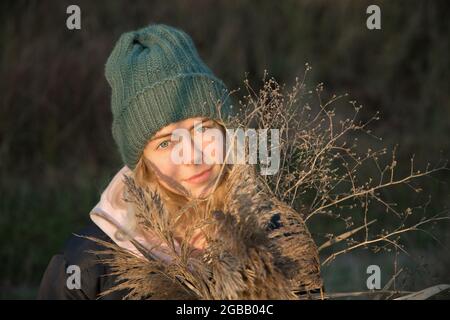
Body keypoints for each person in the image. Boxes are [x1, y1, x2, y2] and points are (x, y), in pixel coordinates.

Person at [37, 23, 323, 300]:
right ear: (142, 161)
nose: (192, 156)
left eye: (203, 128)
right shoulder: (85, 268)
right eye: (165, 142)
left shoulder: (279, 238)